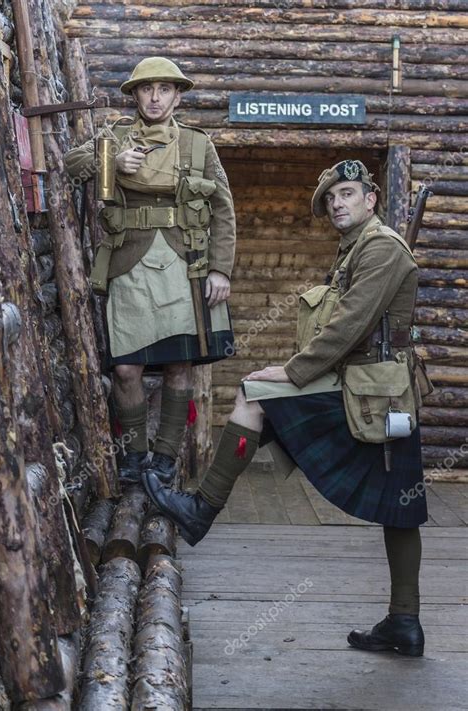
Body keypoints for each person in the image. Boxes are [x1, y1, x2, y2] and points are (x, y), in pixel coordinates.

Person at [143, 159, 429, 658]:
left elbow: (350, 326)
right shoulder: (356, 249)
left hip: (375, 394)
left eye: (345, 193)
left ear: (370, 198)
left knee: (258, 397)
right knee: (398, 505)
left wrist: (293, 371)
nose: (337, 204)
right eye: (330, 199)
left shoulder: (381, 248)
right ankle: (404, 622)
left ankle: (200, 511)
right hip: (366, 386)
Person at [65, 57, 236, 484]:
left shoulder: (198, 144)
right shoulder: (114, 136)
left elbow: (223, 209)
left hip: (185, 262)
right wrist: (112, 161)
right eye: (146, 89)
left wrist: (221, 270)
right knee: (126, 368)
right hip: (129, 262)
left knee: (181, 367)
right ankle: (133, 454)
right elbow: (70, 166)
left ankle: (165, 455)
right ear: (135, 95)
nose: (155, 97)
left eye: (164, 89)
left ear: (178, 96)